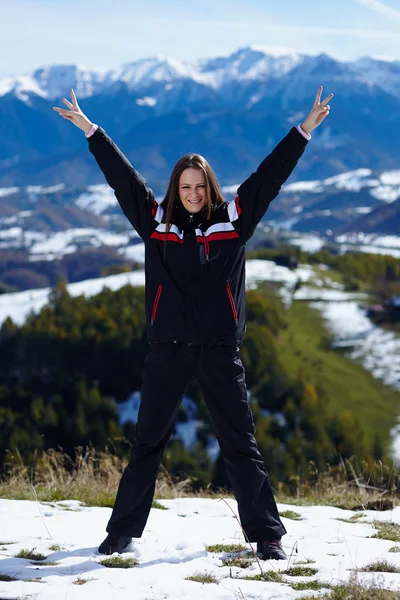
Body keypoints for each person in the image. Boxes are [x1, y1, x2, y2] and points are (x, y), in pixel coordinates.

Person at [54, 86, 333, 559]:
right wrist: (91, 131)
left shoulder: (233, 221)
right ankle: (121, 532)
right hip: (168, 349)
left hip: (219, 349)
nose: (192, 194)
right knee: (148, 443)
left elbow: (269, 178)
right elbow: (123, 180)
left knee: (240, 445)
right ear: (174, 189)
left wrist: (302, 132)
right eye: (185, 187)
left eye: (199, 186)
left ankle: (267, 537)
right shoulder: (155, 222)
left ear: (210, 188)